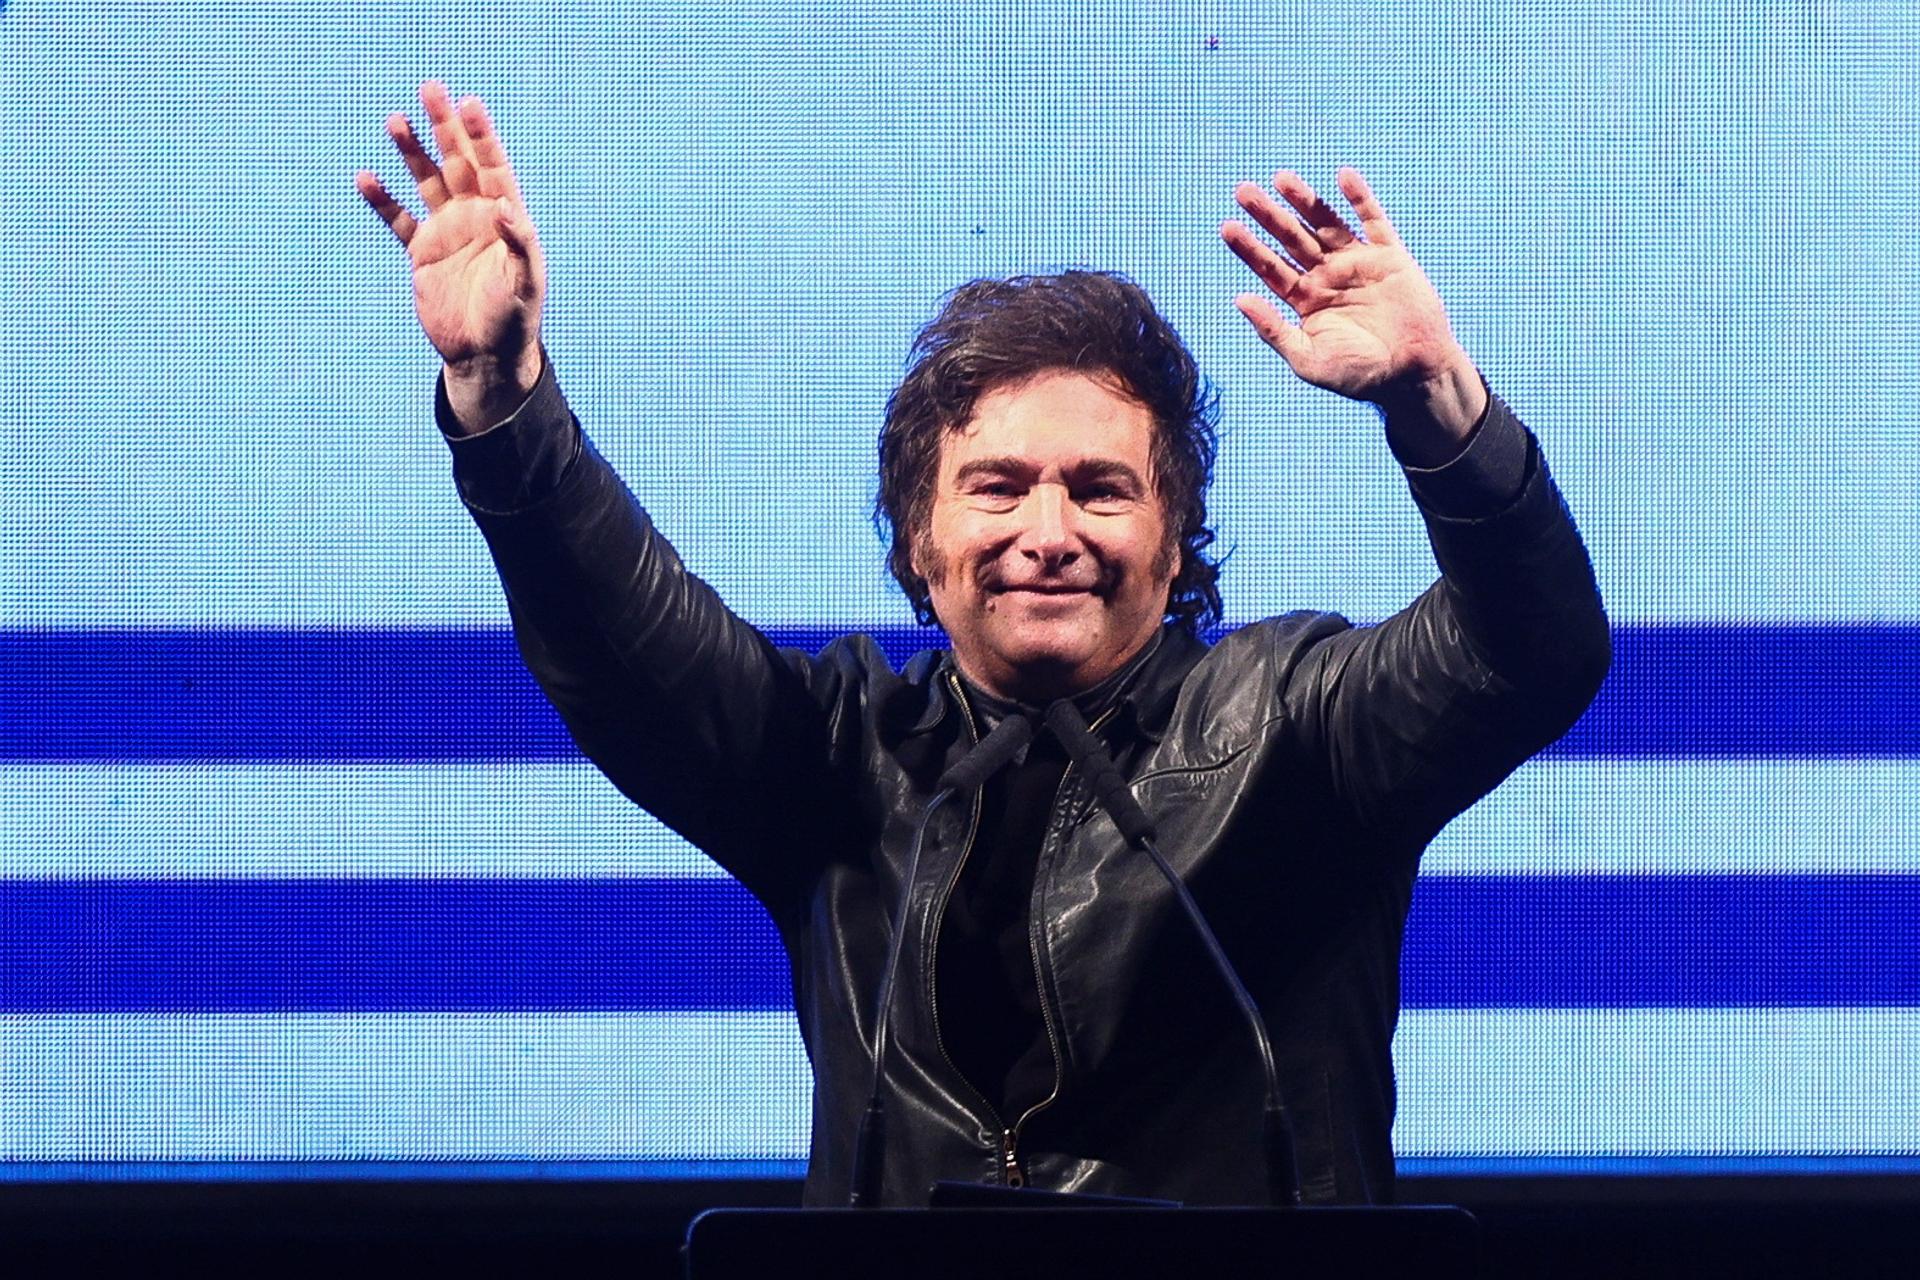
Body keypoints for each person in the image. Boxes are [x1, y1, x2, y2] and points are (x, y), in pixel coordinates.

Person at [357, 81, 1609, 1206]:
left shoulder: (1297, 725)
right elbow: (620, 636)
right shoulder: (836, 757)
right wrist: (503, 393)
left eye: (1103, 489)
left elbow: (1535, 648)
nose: (1049, 531)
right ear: (918, 538)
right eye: (999, 487)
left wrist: (1438, 404)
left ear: (1175, 544)